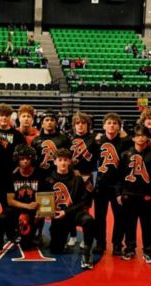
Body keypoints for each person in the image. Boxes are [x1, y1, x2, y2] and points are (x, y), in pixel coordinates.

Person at [44, 148, 95, 270]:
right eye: (60, 160)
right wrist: (48, 212)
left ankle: (87, 254)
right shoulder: (48, 180)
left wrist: (66, 212)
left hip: (74, 214)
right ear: (55, 162)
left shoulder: (77, 179)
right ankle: (60, 238)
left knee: (89, 221)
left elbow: (83, 201)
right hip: (57, 217)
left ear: (70, 162)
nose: (63, 163)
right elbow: (44, 200)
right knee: (56, 249)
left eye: (66, 160)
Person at [0, 144, 44, 256]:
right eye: (22, 159)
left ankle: (35, 235)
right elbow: (10, 201)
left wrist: (40, 212)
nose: (25, 161)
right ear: (17, 160)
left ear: (32, 159)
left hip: (33, 210)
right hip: (16, 208)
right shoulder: (12, 175)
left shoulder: (39, 174)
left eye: (27, 159)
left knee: (26, 247)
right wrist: (26, 206)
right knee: (0, 220)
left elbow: (44, 196)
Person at [118, 125, 151, 263]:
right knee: (129, 223)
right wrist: (119, 193)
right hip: (129, 194)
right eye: (138, 135)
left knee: (147, 224)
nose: (141, 138)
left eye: (143, 135)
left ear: (147, 138)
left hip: (146, 195)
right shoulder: (125, 154)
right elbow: (119, 176)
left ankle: (148, 250)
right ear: (133, 138)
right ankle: (130, 248)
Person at [94, 113, 132, 255]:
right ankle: (100, 243)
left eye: (115, 123)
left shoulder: (126, 142)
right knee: (99, 217)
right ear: (104, 125)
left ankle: (117, 244)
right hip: (101, 185)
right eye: (109, 123)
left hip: (118, 186)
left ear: (119, 126)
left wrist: (126, 134)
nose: (112, 125)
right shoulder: (97, 141)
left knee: (120, 217)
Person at [0, 104, 25, 242]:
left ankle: (11, 232)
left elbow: (23, 154)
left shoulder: (17, 135)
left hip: (10, 178)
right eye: (1, 115)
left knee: (9, 207)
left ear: (10, 117)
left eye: (6, 115)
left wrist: (18, 169)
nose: (4, 118)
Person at [68, 112, 99, 247]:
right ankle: (73, 235)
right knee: (69, 205)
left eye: (83, 123)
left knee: (85, 207)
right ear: (74, 126)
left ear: (88, 125)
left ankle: (86, 238)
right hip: (71, 177)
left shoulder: (95, 139)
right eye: (78, 123)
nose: (80, 125)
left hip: (87, 177)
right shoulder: (68, 139)